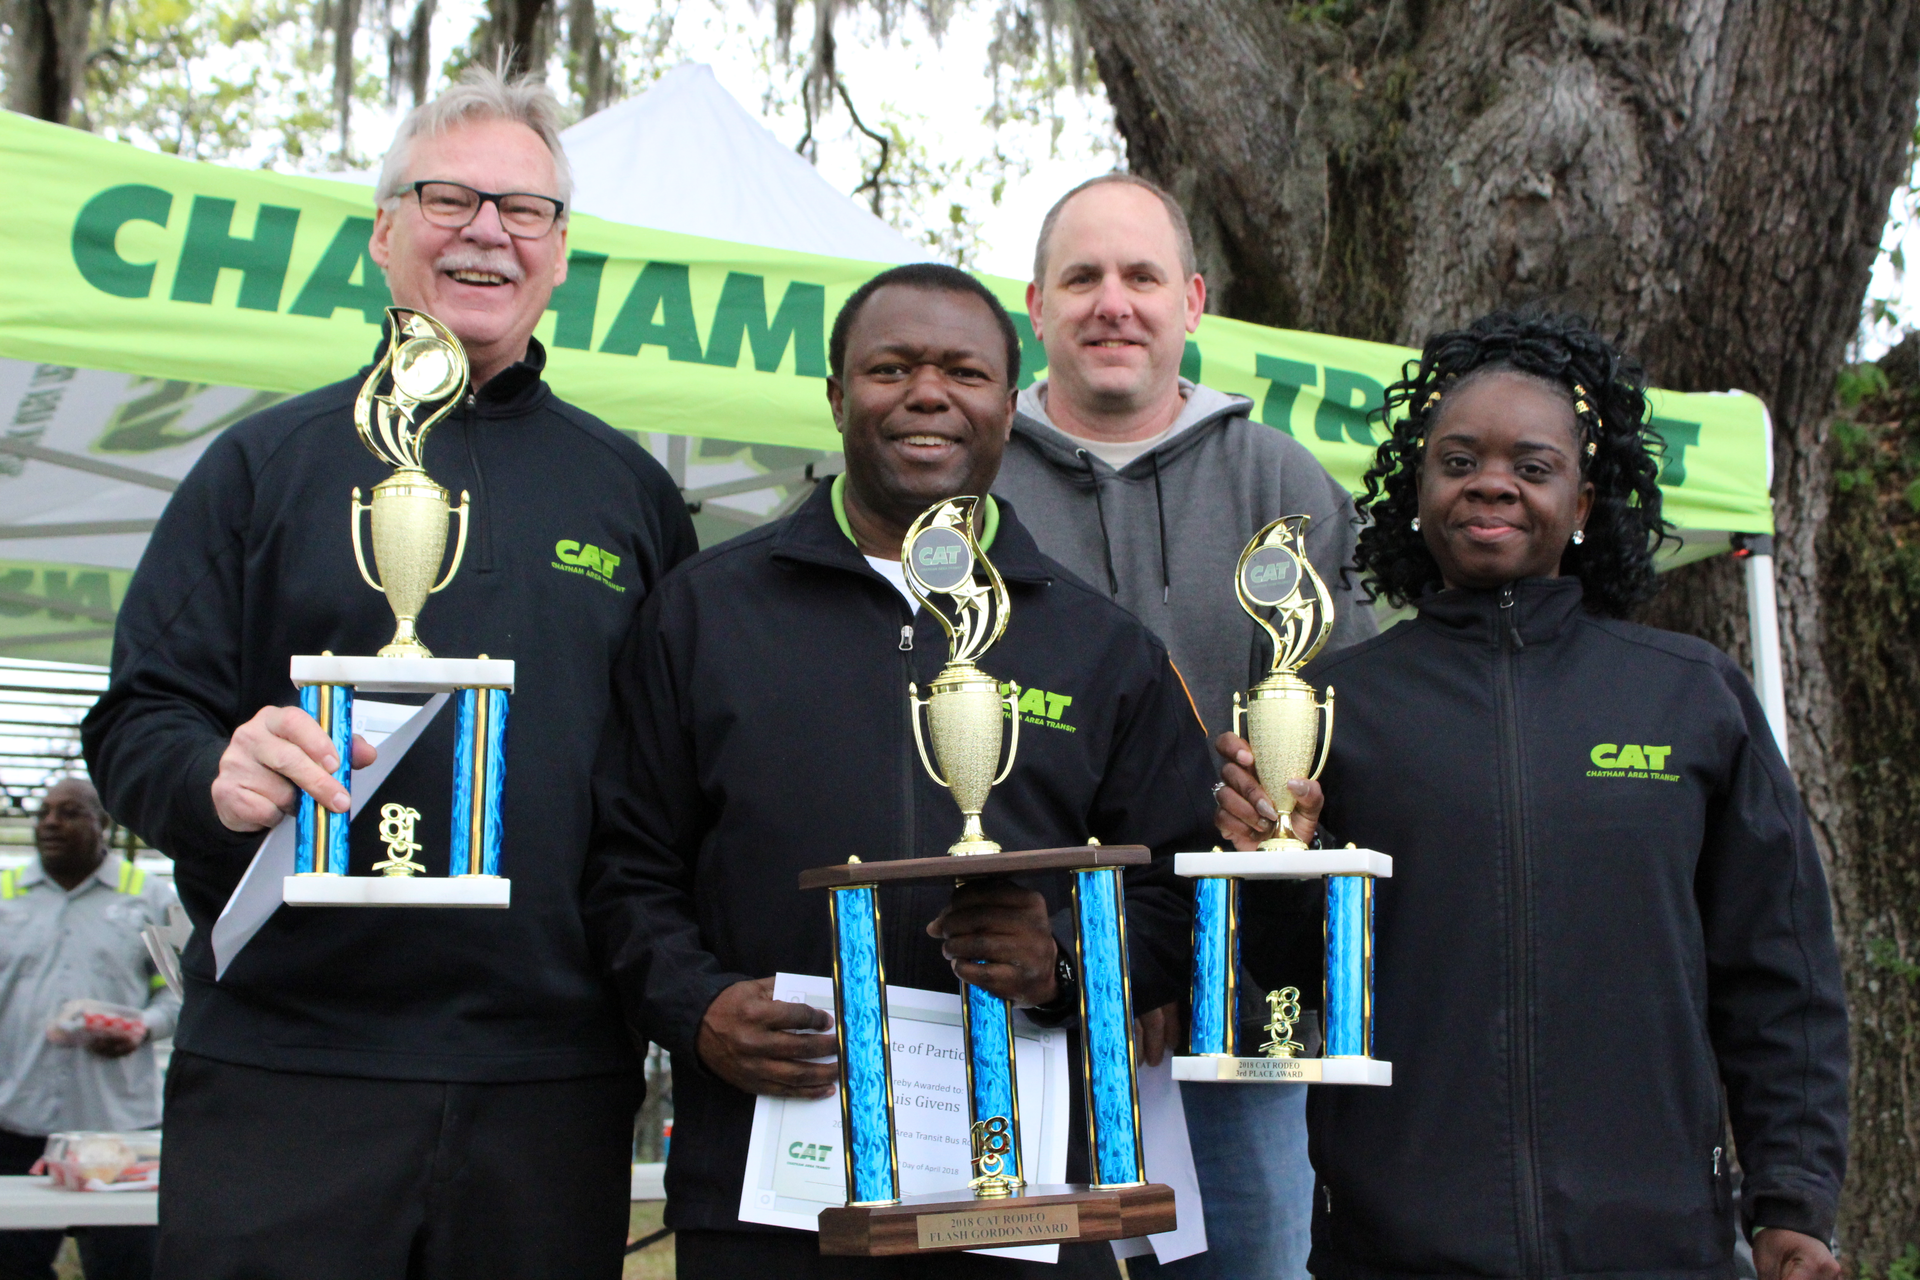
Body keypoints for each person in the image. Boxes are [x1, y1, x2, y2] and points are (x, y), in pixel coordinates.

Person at [80, 66, 697, 1280]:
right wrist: (217, 770)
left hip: (549, 1077)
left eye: (523, 210)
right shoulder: (260, 466)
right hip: (286, 1066)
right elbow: (136, 721)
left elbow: (676, 781)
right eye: (448, 197)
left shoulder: (628, 495)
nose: (486, 230)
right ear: (382, 231)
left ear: (560, 252)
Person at [585, 262, 1216, 1279]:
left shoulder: (1102, 649)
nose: (927, 393)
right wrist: (695, 1009)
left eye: (963, 370)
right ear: (837, 395)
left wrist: (1061, 963)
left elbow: (1176, 892)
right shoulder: (704, 613)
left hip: (1027, 1196)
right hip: (774, 1177)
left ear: (1009, 409)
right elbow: (624, 864)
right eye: (891, 367)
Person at [1214, 311, 1848, 1280]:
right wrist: (1271, 863)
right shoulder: (1337, 703)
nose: (1492, 481)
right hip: (1399, 1242)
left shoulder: (1691, 692)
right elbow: (1295, 978)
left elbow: (1780, 969)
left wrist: (1793, 1196)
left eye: (1533, 464)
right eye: (1458, 458)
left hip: (1657, 1242)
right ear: (1416, 490)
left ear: (1584, 499)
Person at [991, 171, 1375, 1279]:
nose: (1115, 302)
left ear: (1193, 301)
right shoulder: (972, 483)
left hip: (1239, 1018)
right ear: (1037, 305)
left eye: (1142, 276)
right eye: (1084, 277)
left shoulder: (1281, 478)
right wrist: (1087, 958)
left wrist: (1301, 796)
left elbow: (1356, 720)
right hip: (1019, 1003)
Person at [0, 777, 176, 1280]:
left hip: (118, 1127)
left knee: (125, 1266)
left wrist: (143, 1027)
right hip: (17, 1122)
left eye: (70, 812)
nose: (51, 822)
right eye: (43, 812)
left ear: (102, 824)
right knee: (14, 1265)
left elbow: (184, 992)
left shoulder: (149, 898)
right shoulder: (6, 895)